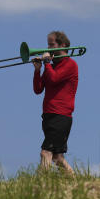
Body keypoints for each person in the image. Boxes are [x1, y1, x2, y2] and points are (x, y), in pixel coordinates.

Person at [32, 30, 78, 175]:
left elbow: (54, 79)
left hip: (61, 115)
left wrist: (47, 63)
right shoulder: (51, 66)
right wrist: (37, 71)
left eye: (51, 45)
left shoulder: (70, 64)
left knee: (45, 153)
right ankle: (77, 182)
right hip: (48, 115)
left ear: (62, 45)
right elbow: (38, 89)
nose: (48, 49)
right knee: (57, 157)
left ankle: (40, 183)